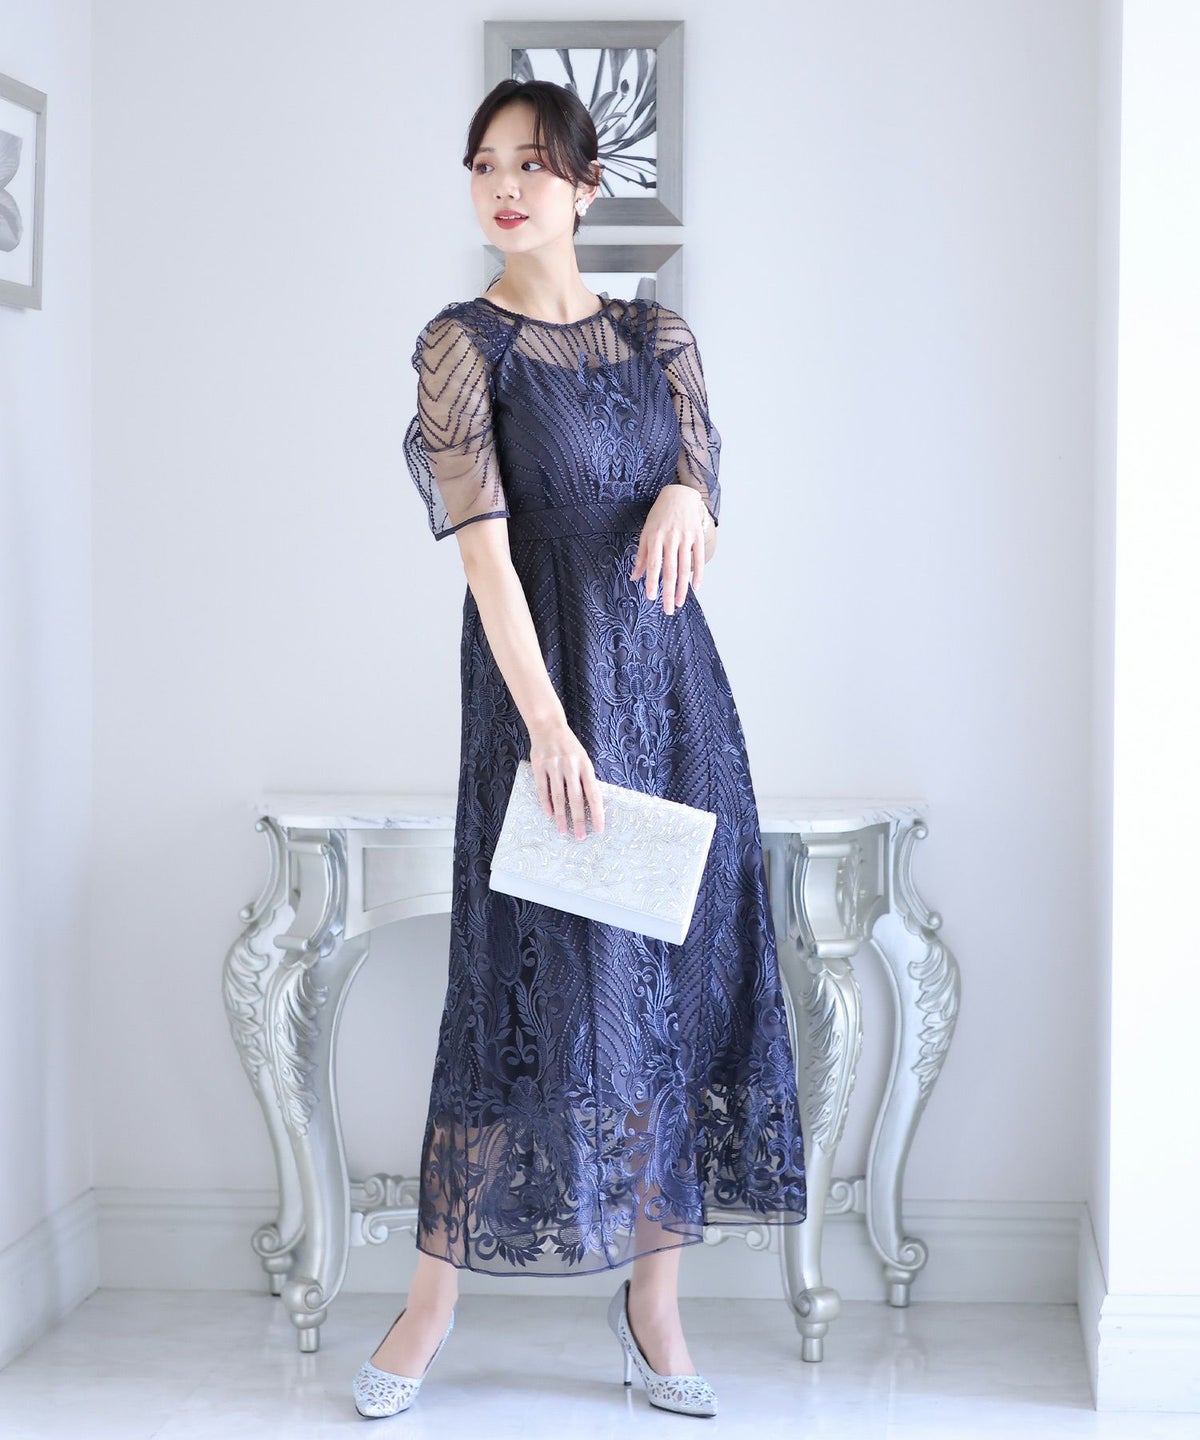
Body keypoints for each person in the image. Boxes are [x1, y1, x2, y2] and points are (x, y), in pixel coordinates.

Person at [353, 77, 807, 1421]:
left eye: (533, 164)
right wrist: (547, 725)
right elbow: (484, 559)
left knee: (674, 987)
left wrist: (689, 490)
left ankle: (655, 1310)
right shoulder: (461, 346)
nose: (506, 187)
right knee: (512, 993)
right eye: (486, 163)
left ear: (586, 186)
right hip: (538, 701)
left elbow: (703, 481)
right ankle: (429, 1308)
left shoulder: (661, 336)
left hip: (674, 696)